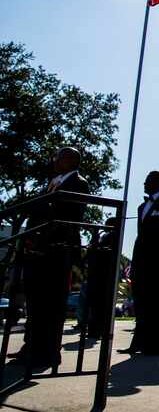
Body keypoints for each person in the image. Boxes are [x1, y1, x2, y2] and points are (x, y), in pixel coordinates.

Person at [17, 147, 90, 368]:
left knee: (51, 302)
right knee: (36, 301)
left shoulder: (79, 183)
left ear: (70, 160)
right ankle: (31, 346)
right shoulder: (53, 181)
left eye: (58, 157)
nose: (54, 160)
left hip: (58, 248)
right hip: (39, 248)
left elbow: (69, 213)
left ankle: (47, 351)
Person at [120, 171, 159, 355]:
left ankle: (155, 345)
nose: (145, 184)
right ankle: (137, 342)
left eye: (149, 181)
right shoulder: (141, 207)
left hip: (158, 264)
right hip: (141, 263)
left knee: (155, 307)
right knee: (141, 305)